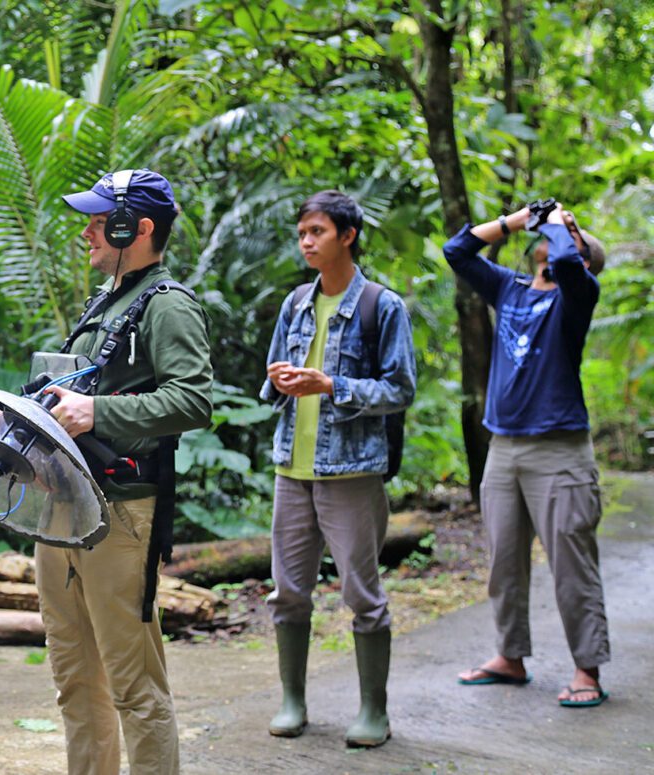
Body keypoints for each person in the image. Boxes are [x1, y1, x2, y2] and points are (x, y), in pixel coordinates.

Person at [36, 169, 213, 775]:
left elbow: (194, 400)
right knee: (75, 683)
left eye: (95, 221)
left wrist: (98, 411)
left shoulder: (168, 305)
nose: (85, 231)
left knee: (135, 689)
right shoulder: (104, 302)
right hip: (60, 507)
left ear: (132, 228)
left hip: (120, 515)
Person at [259, 190, 416, 748]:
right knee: (288, 591)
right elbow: (270, 379)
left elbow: (400, 388)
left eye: (317, 232)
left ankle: (374, 711)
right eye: (302, 233)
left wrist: (333, 385)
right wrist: (281, 380)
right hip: (291, 471)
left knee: (362, 595)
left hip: (351, 474)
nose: (306, 242)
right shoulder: (296, 303)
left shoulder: (382, 305)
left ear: (347, 236)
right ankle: (292, 701)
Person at [446, 204, 611, 708]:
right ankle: (510, 656)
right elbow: (458, 251)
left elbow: (566, 265)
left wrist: (563, 225)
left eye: (570, 236)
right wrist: (517, 219)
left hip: (558, 450)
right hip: (504, 448)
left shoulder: (577, 295)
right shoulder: (510, 289)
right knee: (503, 560)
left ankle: (587, 669)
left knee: (570, 563)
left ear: (582, 256)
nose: (556, 238)